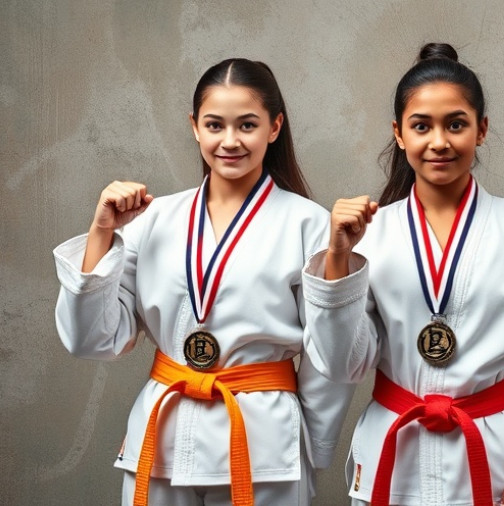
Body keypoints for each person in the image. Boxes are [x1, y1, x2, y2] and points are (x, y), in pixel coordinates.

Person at [301, 43, 504, 506]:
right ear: (399, 134)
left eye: (456, 124)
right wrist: (337, 257)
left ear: (482, 130)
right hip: (395, 449)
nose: (439, 142)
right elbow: (342, 363)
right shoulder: (370, 237)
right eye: (422, 126)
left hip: (497, 452)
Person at [53, 58, 354, 506]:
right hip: (162, 439)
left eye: (247, 125)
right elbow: (90, 339)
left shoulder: (310, 225)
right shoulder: (152, 219)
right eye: (215, 125)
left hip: (263, 443)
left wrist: (312, 445)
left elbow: (329, 357)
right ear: (195, 127)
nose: (229, 141)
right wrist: (102, 233)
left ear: (274, 127)